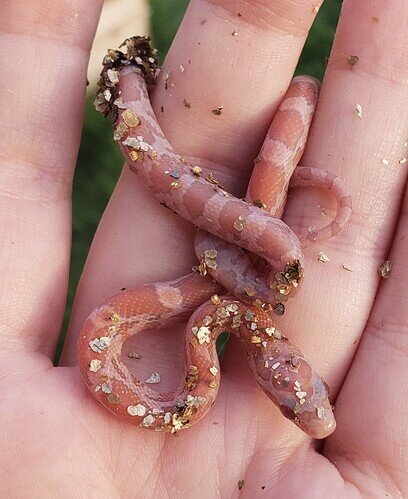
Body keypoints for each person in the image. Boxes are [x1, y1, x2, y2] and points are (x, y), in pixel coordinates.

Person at [1, 0, 406, 496]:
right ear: (297, 359)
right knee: (286, 131)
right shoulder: (241, 305)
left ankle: (128, 76)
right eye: (310, 392)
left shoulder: (232, 312)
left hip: (245, 255)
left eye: (294, 403)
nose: (306, 405)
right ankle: (127, 75)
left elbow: (305, 91)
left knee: (291, 115)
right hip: (249, 255)